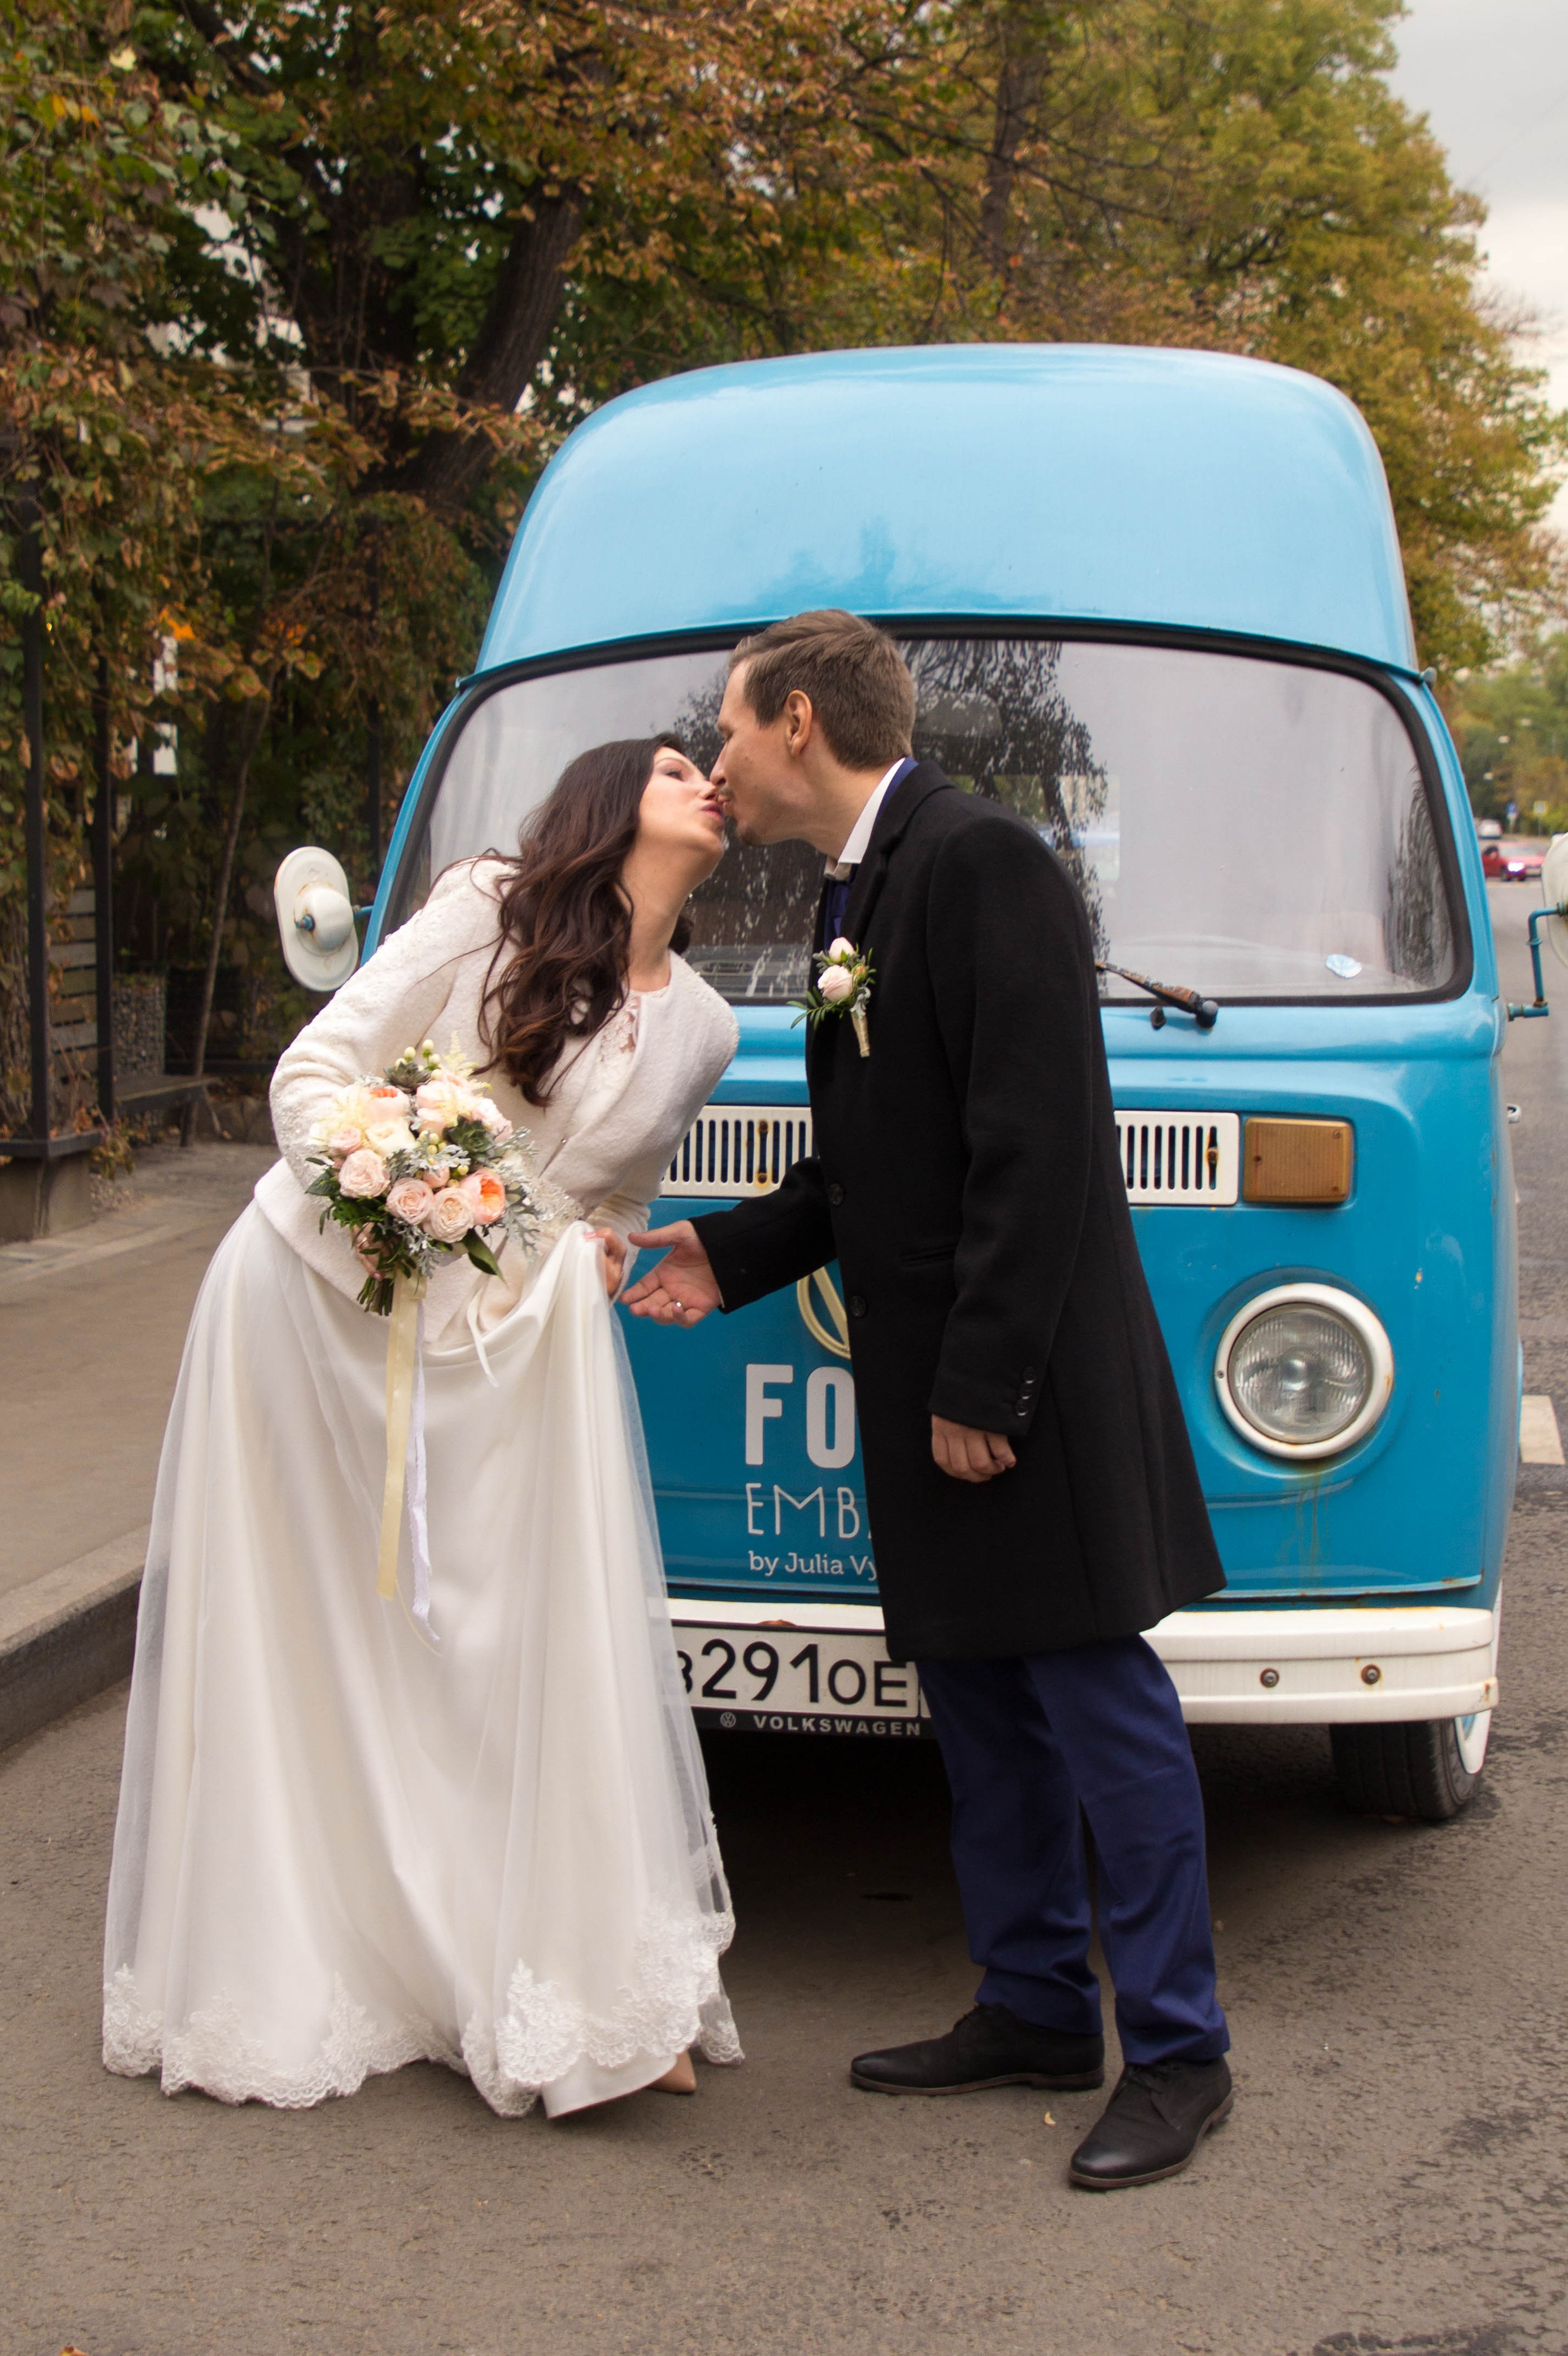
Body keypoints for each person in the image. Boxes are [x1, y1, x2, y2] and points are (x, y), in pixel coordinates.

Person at [625, 612, 1234, 2191]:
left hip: (1016, 1386)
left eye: (732, 730)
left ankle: (1177, 2053)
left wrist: (982, 1384)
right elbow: (870, 1159)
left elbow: (1039, 1144)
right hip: (936, 1385)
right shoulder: (856, 889)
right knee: (974, 1708)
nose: (720, 760)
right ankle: (1033, 2007)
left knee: (1103, 1718)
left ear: (800, 720)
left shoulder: (982, 866)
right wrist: (726, 1247)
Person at [104, 740, 743, 2118]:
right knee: (310, 1640)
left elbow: (607, 1206)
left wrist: (592, 1255)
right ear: (606, 796)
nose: (711, 782)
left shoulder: (703, 1025)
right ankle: (321, 1957)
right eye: (679, 763)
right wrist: (425, 1199)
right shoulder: (487, 905)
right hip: (310, 1307)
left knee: (490, 1647)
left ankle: (559, 1980)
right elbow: (311, 1079)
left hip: (500, 1360)